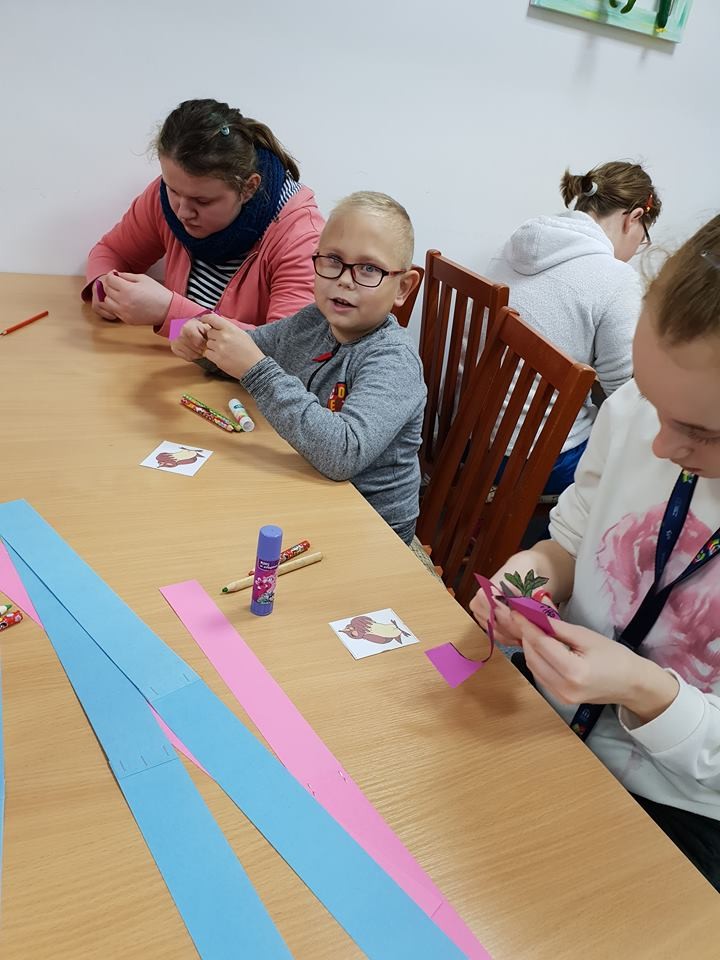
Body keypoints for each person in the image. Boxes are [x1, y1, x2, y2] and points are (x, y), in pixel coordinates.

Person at [470, 214, 720, 890]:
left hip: (680, 800)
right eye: (652, 403)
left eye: (700, 432)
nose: (660, 446)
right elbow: (570, 544)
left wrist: (641, 688)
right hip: (546, 717)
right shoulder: (633, 411)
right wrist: (528, 576)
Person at [172, 191, 425, 543]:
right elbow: (247, 350)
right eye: (333, 260)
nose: (345, 279)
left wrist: (257, 370)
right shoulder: (313, 320)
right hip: (308, 490)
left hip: (371, 532)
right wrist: (196, 338)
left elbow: (343, 454)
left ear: (403, 287)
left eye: (369, 268)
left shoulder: (394, 360)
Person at [488, 161, 661, 494]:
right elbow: (625, 394)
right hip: (534, 459)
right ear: (634, 217)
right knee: (655, 455)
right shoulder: (615, 278)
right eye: (643, 238)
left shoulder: (516, 246)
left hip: (468, 438)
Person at [82, 98, 323, 336]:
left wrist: (168, 314)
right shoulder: (167, 194)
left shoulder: (299, 236)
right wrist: (104, 286)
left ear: (249, 188)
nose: (182, 212)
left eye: (203, 201)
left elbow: (288, 347)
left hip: (236, 364)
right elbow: (111, 252)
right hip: (170, 356)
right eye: (173, 190)